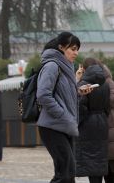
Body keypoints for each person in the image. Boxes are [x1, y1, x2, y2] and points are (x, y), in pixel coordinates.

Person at [37, 32, 93, 183]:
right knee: (65, 174)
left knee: (67, 173)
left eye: (77, 49)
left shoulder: (65, 67)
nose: (76, 53)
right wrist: (62, 114)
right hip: (53, 126)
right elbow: (43, 95)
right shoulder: (52, 66)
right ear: (61, 47)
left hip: (64, 125)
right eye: (73, 49)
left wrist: (79, 91)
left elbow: (62, 95)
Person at [75, 57, 110, 183]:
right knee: (99, 160)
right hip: (101, 122)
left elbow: (80, 109)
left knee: (90, 162)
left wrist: (77, 81)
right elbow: (107, 108)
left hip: (87, 125)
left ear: (83, 68)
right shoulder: (105, 83)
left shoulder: (82, 84)